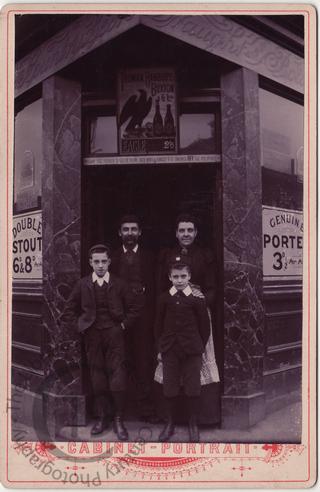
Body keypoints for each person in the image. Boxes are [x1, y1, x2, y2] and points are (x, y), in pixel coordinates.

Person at [61, 244, 140, 439]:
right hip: (93, 335)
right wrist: (81, 326)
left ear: (109, 262)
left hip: (115, 335)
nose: (100, 265)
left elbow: (135, 308)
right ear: (90, 263)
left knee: (118, 376)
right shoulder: (83, 284)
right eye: (96, 262)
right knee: (97, 378)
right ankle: (103, 417)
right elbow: (68, 311)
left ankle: (118, 419)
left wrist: (122, 326)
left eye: (104, 261)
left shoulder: (120, 284)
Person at [156, 213, 220, 426]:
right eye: (182, 230)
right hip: (172, 318)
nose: (186, 234)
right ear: (176, 233)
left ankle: (200, 419)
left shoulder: (205, 255)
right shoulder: (167, 255)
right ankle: (172, 419)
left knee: (195, 370)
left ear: (195, 233)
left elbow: (212, 288)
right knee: (171, 372)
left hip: (196, 316)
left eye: (189, 230)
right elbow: (161, 288)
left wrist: (200, 302)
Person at [154, 261, 210, 442]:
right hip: (170, 349)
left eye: (183, 276)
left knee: (193, 387)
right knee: (170, 387)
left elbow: (204, 327)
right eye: (176, 277)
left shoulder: (197, 299)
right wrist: (161, 348)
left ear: (190, 277)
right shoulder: (164, 298)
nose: (179, 280)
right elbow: (158, 326)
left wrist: (198, 346)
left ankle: (193, 424)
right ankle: (169, 423)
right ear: (170, 277)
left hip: (192, 350)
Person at [110, 215, 158, 423]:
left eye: (133, 229)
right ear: (120, 233)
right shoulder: (110, 257)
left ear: (140, 233)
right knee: (118, 361)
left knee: (143, 360)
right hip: (117, 317)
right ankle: (118, 410)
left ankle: (145, 409)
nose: (130, 233)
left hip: (144, 318)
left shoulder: (150, 257)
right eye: (126, 229)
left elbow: (156, 287)